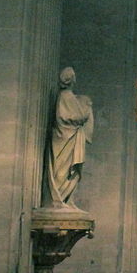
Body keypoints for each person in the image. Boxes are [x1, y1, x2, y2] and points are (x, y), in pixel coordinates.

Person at [46, 67, 94, 207]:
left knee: (73, 171)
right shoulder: (65, 96)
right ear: (71, 79)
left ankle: (68, 199)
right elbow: (65, 116)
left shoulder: (70, 97)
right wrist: (86, 114)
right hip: (65, 138)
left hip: (73, 137)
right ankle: (59, 197)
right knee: (63, 169)